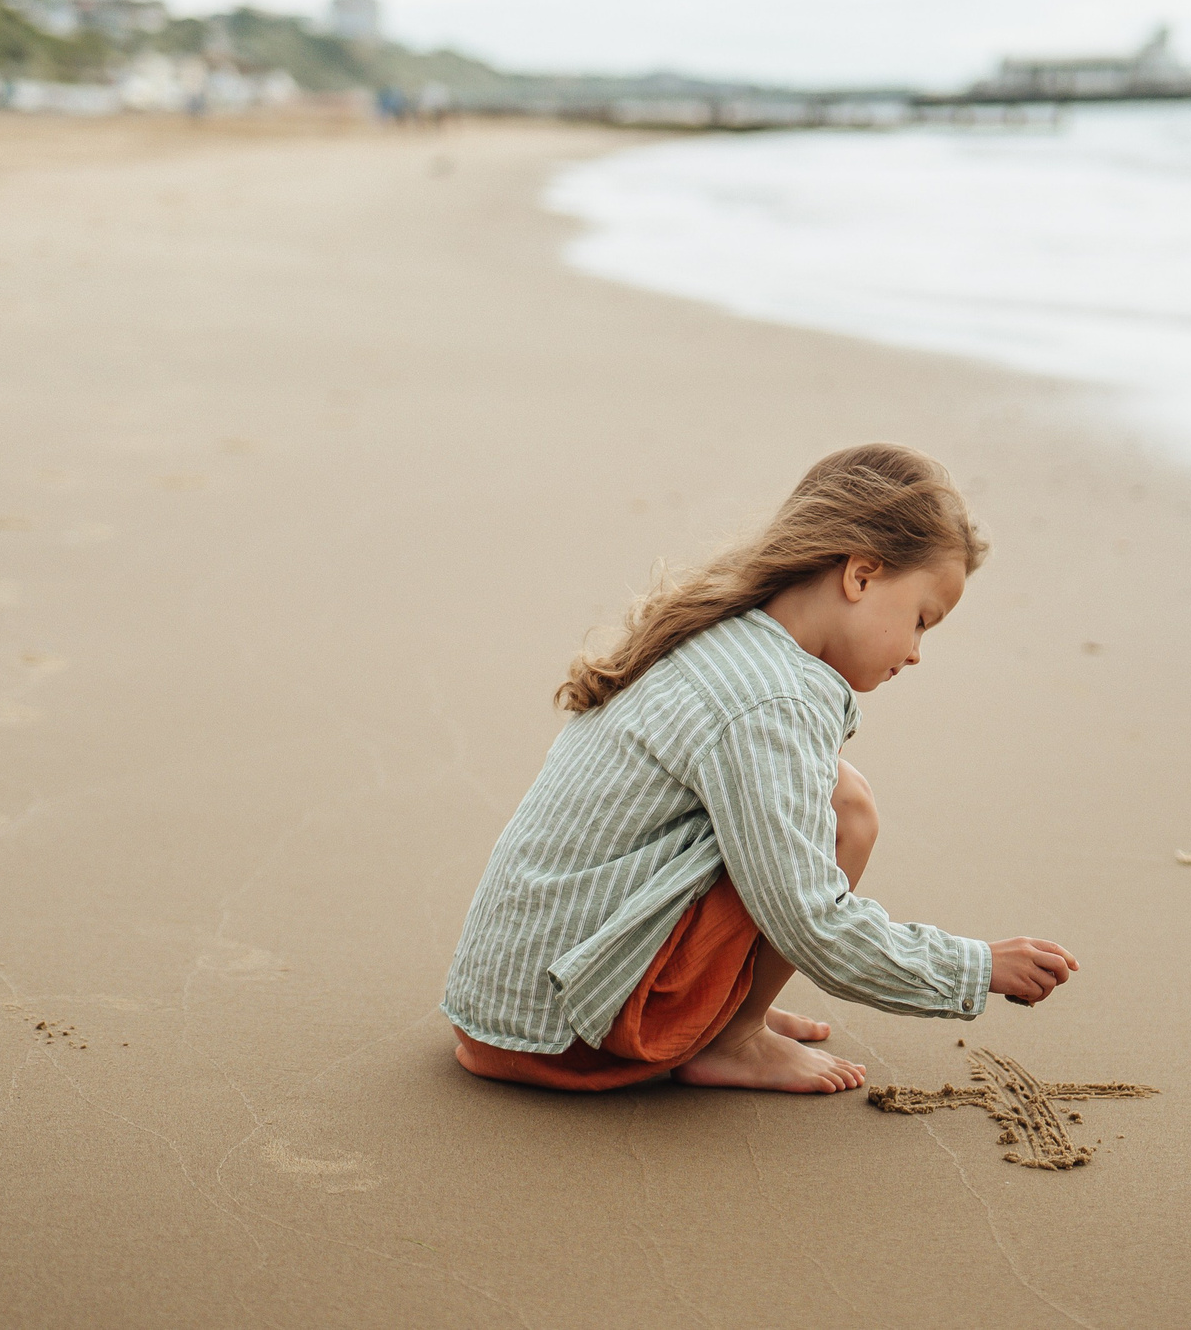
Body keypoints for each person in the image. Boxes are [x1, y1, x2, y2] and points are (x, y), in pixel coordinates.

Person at [441, 444, 1079, 1094]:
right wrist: (976, 966)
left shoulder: (724, 638)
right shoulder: (770, 701)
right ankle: (732, 1038)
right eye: (921, 620)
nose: (916, 652)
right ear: (860, 574)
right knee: (841, 815)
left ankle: (728, 1010)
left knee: (837, 794)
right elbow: (814, 922)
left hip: (505, 999)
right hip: (564, 1030)